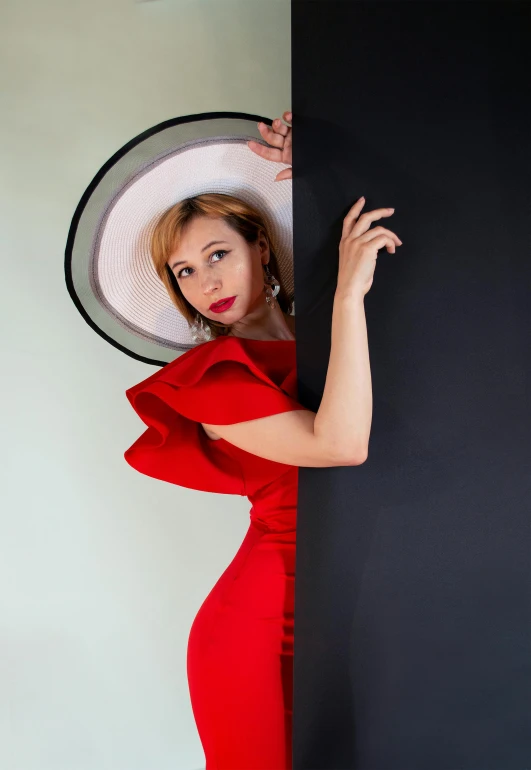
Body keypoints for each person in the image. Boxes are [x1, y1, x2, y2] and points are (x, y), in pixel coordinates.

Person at [65, 110, 402, 769]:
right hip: (260, 621)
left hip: (348, 599)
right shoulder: (212, 378)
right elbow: (340, 444)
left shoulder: (318, 343)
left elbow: (396, 222)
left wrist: (321, 166)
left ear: (260, 247)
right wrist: (345, 296)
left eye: (216, 253)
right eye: (184, 271)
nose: (205, 281)